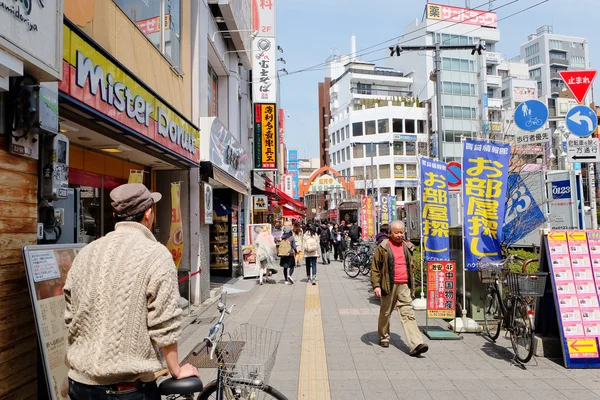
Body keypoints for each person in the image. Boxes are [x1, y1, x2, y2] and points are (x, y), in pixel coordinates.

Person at [64, 183, 199, 400]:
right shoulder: (156, 255)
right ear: (148, 213)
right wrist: (176, 370)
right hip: (125, 389)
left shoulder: (86, 252)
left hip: (78, 383)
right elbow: (164, 321)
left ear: (116, 214)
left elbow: (71, 316)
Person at [370, 220, 429, 356]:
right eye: (396, 232)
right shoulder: (383, 247)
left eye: (401, 232)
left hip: (404, 284)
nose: (399, 235)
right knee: (385, 312)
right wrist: (376, 285)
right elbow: (375, 268)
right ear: (390, 233)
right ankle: (384, 336)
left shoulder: (407, 247)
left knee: (408, 313)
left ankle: (416, 344)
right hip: (388, 285)